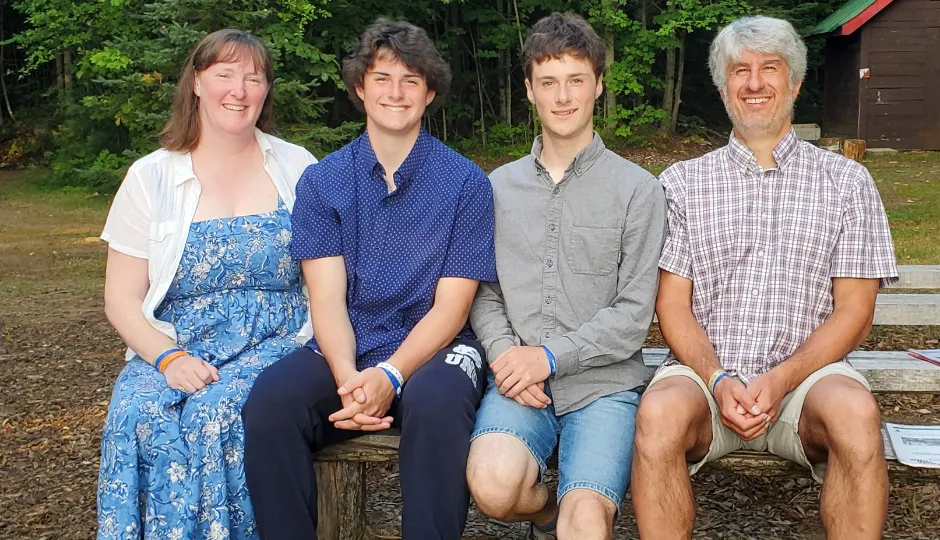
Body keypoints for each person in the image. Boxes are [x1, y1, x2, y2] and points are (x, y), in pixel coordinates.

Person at [631, 15, 899, 540]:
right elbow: (673, 307)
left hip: (807, 382)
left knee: (857, 414)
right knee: (658, 416)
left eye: (770, 69)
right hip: (707, 380)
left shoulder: (846, 183)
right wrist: (718, 378)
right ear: (723, 85)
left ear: (794, 83)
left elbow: (854, 311)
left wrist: (781, 379)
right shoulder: (683, 184)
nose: (754, 83)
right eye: (740, 71)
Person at [241, 18, 497, 540]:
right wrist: (347, 381)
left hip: (435, 351)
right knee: (269, 403)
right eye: (382, 78)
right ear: (360, 88)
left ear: (429, 93)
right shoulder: (323, 181)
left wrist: (393, 375)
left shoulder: (466, 182)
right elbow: (327, 299)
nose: (395, 92)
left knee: (438, 406)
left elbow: (452, 308)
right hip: (348, 349)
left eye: (410, 80)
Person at [96, 29, 316, 540]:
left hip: (277, 342)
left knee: (217, 414)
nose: (238, 90)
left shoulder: (298, 166)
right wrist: (168, 358)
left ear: (265, 92)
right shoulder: (150, 177)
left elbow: (328, 278)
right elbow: (120, 298)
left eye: (253, 78)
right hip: (176, 344)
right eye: (224, 74)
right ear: (196, 83)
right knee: (139, 413)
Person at [465, 13, 666, 540]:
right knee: (492, 486)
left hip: (604, 384)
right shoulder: (498, 187)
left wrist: (549, 357)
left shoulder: (638, 190)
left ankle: (576, 512)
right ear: (529, 90)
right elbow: (485, 292)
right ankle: (544, 514)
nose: (563, 96)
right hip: (519, 381)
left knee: (586, 527)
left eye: (576, 80)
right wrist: (508, 356)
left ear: (598, 84)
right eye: (548, 82)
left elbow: (632, 314)